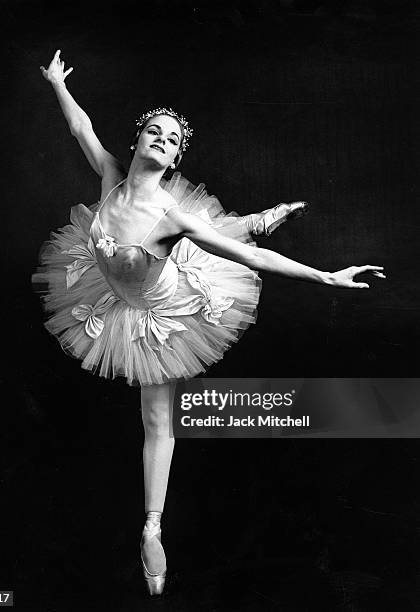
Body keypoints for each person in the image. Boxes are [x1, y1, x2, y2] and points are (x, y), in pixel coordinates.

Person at [33, 50, 386, 596]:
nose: (163, 140)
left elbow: (254, 263)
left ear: (174, 161)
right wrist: (57, 83)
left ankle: (152, 528)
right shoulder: (108, 174)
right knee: (214, 236)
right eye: (155, 131)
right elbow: (81, 126)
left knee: (159, 420)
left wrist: (326, 278)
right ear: (137, 141)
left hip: (163, 310)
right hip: (113, 295)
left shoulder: (171, 215)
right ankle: (257, 219)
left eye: (173, 140)